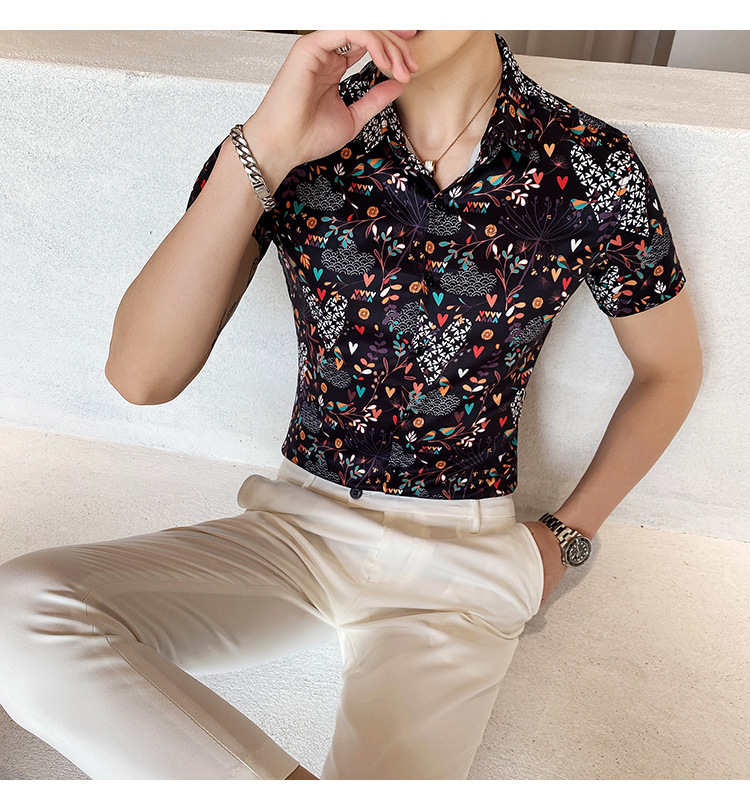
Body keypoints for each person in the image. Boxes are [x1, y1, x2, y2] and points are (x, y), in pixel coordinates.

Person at [0, 30, 702, 780]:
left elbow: (669, 371)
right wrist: (266, 147)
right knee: (20, 618)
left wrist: (569, 536)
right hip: (298, 525)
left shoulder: (590, 163)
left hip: (461, 557)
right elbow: (140, 377)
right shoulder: (292, 136)